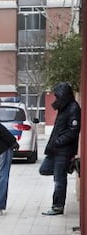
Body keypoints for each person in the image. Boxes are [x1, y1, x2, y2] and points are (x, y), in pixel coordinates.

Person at [39, 82, 81, 216]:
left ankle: (57, 206)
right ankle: (69, 166)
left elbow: (72, 131)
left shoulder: (73, 108)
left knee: (59, 180)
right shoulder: (64, 108)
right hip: (55, 150)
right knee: (44, 169)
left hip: (64, 150)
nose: (55, 99)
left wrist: (58, 142)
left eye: (57, 96)